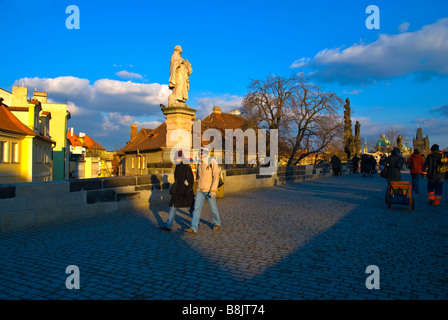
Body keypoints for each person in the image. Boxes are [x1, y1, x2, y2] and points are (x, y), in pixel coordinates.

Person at [185, 147, 221, 234]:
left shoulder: (212, 162)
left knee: (213, 208)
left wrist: (213, 190)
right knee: (196, 208)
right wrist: (189, 181)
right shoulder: (199, 163)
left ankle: (217, 223)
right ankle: (194, 227)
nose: (200, 155)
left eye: (202, 153)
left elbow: (216, 176)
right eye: (199, 153)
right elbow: (197, 176)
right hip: (199, 190)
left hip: (209, 190)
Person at [161, 151, 194, 232]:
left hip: (185, 191)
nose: (175, 159)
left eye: (176, 157)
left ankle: (195, 223)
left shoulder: (186, 166)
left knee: (190, 208)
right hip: (177, 192)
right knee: (173, 207)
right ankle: (168, 225)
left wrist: (187, 188)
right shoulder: (177, 166)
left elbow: (191, 179)